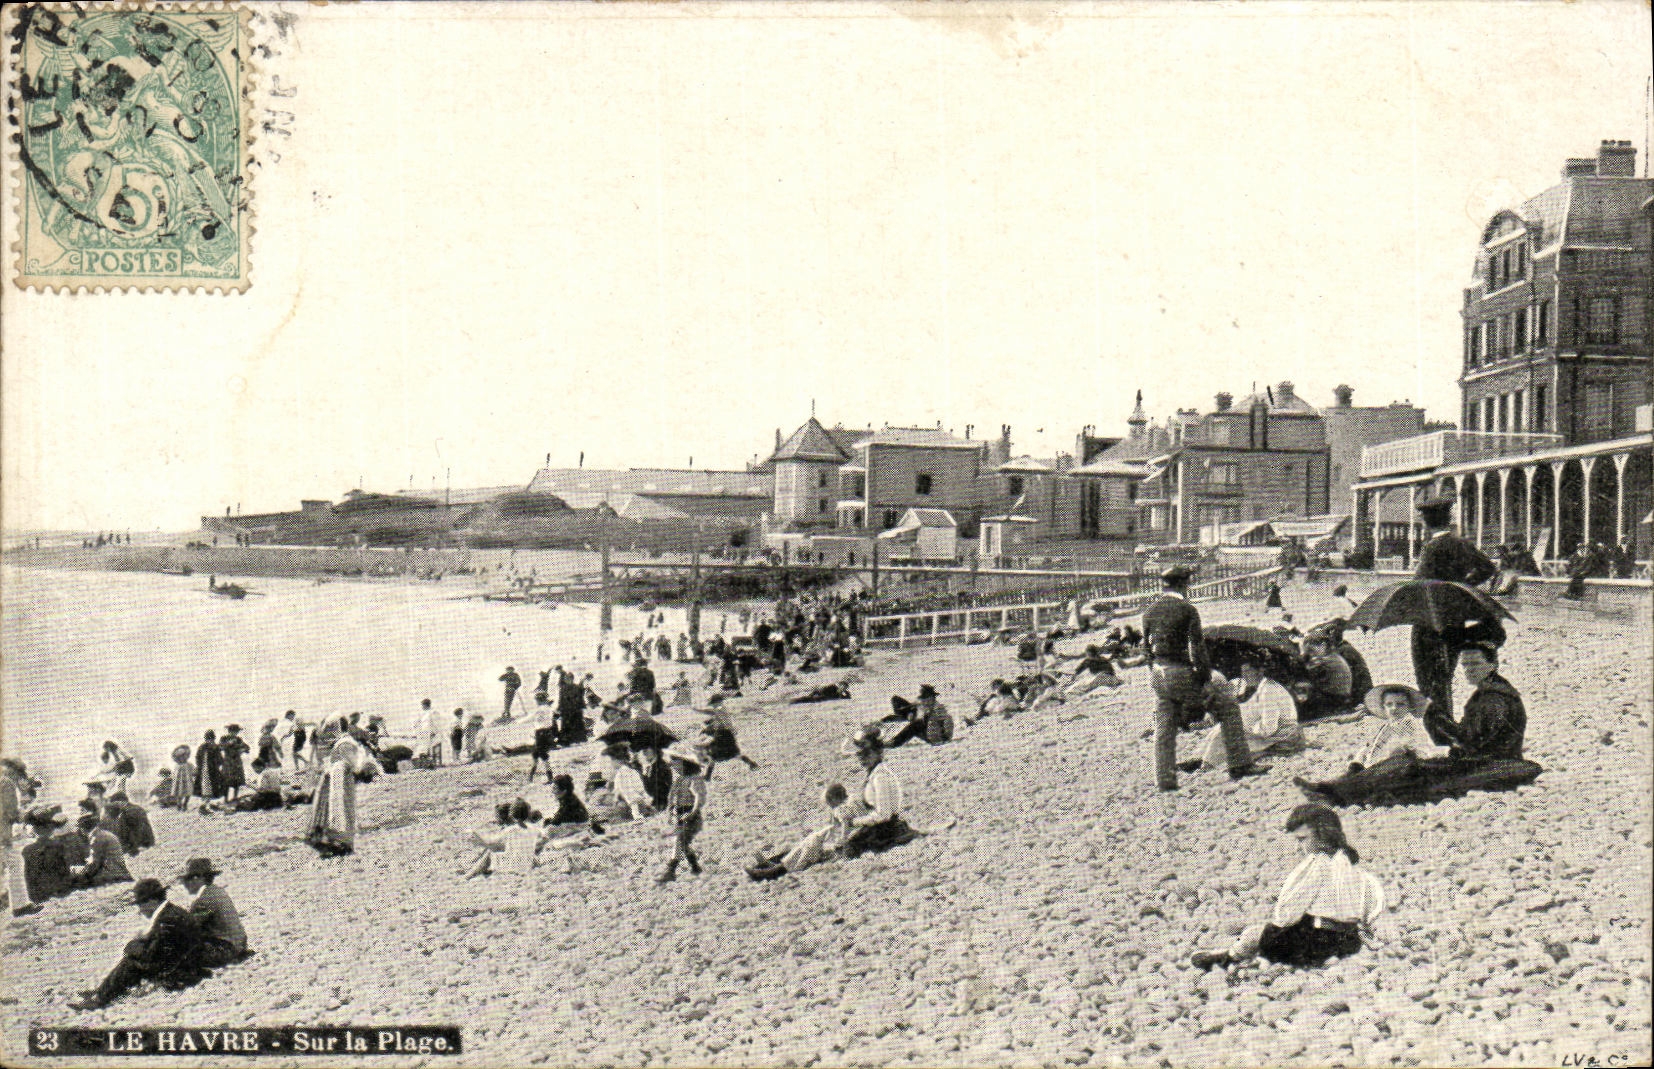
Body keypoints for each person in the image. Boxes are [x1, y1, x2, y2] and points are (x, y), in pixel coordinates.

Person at [1190, 804, 1385, 970]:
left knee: (1256, 933)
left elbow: (1290, 910)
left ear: (1323, 836)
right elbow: (1372, 899)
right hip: (1349, 941)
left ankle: (1228, 958)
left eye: (1302, 840)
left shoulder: (1319, 864)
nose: (1300, 847)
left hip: (1318, 941)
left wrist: (1276, 927)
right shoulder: (1350, 864)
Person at [1144, 566, 1265, 790]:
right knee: (1228, 708)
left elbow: (1147, 651)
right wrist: (1205, 680)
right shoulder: (1186, 609)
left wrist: (1156, 670)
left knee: (1164, 725)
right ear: (1183, 584)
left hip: (1158, 673)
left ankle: (1165, 781)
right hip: (1180, 671)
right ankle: (1239, 764)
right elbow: (1197, 648)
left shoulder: (1150, 611)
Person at [1410, 492, 1497, 740]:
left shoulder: (1432, 549)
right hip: (1454, 619)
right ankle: (1447, 729)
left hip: (1429, 621)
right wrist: (1462, 587)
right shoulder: (1461, 544)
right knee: (1444, 675)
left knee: (1429, 679)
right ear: (1448, 518)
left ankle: (1443, 734)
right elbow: (1488, 568)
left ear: (1426, 522)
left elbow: (1420, 586)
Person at [70, 878, 209, 1010]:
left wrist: (131, 947)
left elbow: (151, 954)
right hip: (185, 964)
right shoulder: (172, 912)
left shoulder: (166, 919)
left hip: (181, 972)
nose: (140, 910)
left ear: (153, 901)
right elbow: (160, 945)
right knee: (136, 955)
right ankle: (103, 989)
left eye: (141, 904)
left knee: (130, 963)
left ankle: (100, 999)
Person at [1187, 665, 1306, 773]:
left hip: (1283, 735)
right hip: (1274, 732)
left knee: (1226, 733)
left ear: (1260, 671)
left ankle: (1206, 765)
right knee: (1223, 729)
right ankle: (1201, 758)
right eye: (1243, 672)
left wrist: (1248, 728)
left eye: (1249, 671)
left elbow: (1268, 728)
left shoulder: (1268, 691)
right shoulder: (1260, 687)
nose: (1245, 676)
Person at [746, 783, 864, 882]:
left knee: (806, 848)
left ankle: (772, 871)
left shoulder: (840, 808)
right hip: (838, 838)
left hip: (831, 843)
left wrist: (841, 842)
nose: (830, 808)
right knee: (802, 847)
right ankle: (771, 866)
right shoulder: (853, 801)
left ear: (833, 799)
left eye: (829, 804)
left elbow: (845, 824)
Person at [838, 727, 916, 857]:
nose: (862, 758)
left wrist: (854, 822)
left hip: (887, 829)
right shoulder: (875, 773)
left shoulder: (881, 777)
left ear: (879, 752)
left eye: (867, 754)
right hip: (881, 826)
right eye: (859, 755)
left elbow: (883, 815)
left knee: (847, 849)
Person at [306, 721, 362, 856]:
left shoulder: (345, 743)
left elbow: (355, 765)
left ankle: (344, 842)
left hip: (341, 780)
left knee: (341, 809)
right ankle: (338, 840)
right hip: (336, 779)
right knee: (335, 809)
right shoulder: (341, 743)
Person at [180, 858, 249, 966]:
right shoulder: (217, 891)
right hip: (239, 945)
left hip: (226, 949)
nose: (185, 884)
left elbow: (190, 926)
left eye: (188, 879)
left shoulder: (204, 899)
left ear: (200, 878)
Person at [657, 746, 708, 883]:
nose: (673, 765)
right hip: (680, 814)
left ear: (685, 763)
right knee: (683, 843)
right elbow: (672, 797)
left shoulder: (695, 778)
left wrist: (692, 813)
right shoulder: (679, 780)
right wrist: (670, 811)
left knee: (680, 840)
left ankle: (671, 871)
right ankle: (695, 867)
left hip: (691, 815)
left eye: (675, 762)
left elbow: (699, 797)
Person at [467, 799, 541, 878]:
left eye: (497, 816)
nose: (496, 819)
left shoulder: (510, 830)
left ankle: (469, 875)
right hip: (527, 863)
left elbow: (490, 844)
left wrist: (477, 837)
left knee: (491, 852)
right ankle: (478, 870)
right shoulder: (533, 829)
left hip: (514, 866)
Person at [20, 808, 74, 903]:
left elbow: (29, 879)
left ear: (34, 829)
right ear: (52, 829)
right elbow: (65, 873)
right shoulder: (59, 846)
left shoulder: (27, 850)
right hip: (61, 892)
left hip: (38, 896)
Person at [697, 700, 759, 780]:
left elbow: (716, 726)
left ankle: (708, 776)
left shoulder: (718, 717)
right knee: (735, 754)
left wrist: (707, 730)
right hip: (727, 740)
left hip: (723, 738)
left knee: (713, 757)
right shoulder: (722, 715)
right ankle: (752, 764)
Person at [69, 813, 133, 888]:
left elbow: (94, 866)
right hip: (119, 871)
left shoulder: (96, 838)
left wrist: (78, 873)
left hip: (112, 876)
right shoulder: (104, 834)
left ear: (83, 828)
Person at [527, 697, 559, 784]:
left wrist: (517, 722)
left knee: (542, 755)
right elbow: (557, 715)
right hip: (548, 732)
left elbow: (529, 718)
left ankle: (549, 778)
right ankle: (530, 778)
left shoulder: (539, 709)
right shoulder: (550, 708)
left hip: (540, 734)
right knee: (536, 754)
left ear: (538, 700)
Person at [633, 744, 673, 812]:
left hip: (661, 805)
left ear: (655, 749)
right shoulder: (643, 767)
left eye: (646, 749)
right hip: (650, 805)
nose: (643, 752)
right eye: (640, 749)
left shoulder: (663, 767)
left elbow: (669, 789)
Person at [219, 725, 249, 802]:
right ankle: (225, 799)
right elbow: (220, 747)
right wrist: (229, 743)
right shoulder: (224, 738)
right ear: (229, 731)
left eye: (236, 732)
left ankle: (235, 797)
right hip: (228, 762)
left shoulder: (239, 739)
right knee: (226, 781)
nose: (235, 733)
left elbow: (247, 747)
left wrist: (242, 750)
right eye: (233, 732)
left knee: (237, 781)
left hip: (236, 762)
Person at [194, 729, 224, 803]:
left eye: (211, 739)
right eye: (209, 739)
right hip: (204, 768)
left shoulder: (214, 747)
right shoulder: (202, 747)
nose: (210, 741)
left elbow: (219, 758)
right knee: (205, 782)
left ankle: (210, 796)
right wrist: (199, 765)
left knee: (211, 782)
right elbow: (198, 757)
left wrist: (219, 763)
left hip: (211, 768)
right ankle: (205, 796)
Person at [167, 746, 195, 811]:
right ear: (179, 757)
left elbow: (194, 771)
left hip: (188, 781)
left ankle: (185, 804)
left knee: (189, 793)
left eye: (185, 756)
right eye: (182, 756)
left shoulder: (189, 764)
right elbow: (175, 775)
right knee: (179, 794)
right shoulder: (177, 766)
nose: (184, 757)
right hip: (179, 782)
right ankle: (179, 804)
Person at [421, 699, 445, 766]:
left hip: (433, 734)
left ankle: (436, 763)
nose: (422, 707)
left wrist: (434, 732)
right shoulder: (425, 714)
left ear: (425, 705)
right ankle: (429, 763)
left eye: (422, 705)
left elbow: (436, 723)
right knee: (426, 749)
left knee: (434, 748)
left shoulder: (433, 712)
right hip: (426, 734)